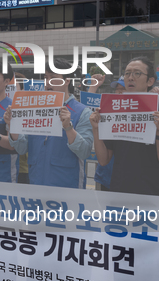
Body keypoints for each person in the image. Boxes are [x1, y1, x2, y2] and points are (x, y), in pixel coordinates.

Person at [90, 57, 159, 196]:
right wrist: (96, 128)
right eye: (127, 73)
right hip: (119, 191)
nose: (130, 78)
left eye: (137, 73)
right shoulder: (113, 111)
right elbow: (103, 160)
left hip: (153, 194)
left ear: (150, 81)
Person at [6, 60, 94, 190]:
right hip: (36, 185)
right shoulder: (35, 109)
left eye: (53, 78)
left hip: (68, 188)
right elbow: (22, 148)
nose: (47, 82)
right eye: (46, 78)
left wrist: (69, 128)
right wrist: (13, 126)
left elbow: (85, 151)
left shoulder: (82, 112)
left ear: (67, 81)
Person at [92, 75, 124, 191]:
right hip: (105, 176)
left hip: (127, 181)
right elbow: (89, 108)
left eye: (123, 90)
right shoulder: (107, 109)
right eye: (117, 89)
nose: (119, 93)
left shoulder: (140, 116)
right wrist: (93, 87)